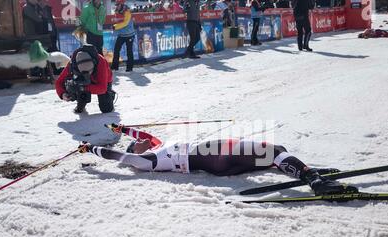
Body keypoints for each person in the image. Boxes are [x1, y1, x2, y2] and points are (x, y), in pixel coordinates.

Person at [77, 124, 358, 195]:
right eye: (135, 144)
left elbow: (142, 133)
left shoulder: (155, 145)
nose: (138, 142)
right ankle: (314, 179)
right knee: (273, 149)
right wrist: (92, 149)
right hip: (211, 153)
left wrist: (120, 129)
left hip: (218, 166)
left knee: (271, 158)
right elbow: (126, 158)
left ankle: (303, 171)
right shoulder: (147, 159)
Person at [55, 44, 115, 114]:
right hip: (83, 83)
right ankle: (81, 102)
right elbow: (59, 82)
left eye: (89, 72)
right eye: (84, 73)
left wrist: (82, 88)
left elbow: (102, 88)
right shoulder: (72, 64)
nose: (87, 75)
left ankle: (111, 94)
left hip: (103, 81)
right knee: (79, 108)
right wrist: (63, 94)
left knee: (106, 109)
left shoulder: (101, 61)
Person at [111, 0, 135, 72]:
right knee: (116, 50)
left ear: (121, 4)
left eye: (117, 4)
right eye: (116, 4)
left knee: (129, 51)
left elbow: (125, 23)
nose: (116, 6)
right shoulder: (117, 11)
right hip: (121, 35)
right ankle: (115, 67)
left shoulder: (127, 11)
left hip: (129, 35)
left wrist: (115, 27)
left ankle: (129, 68)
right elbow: (117, 21)